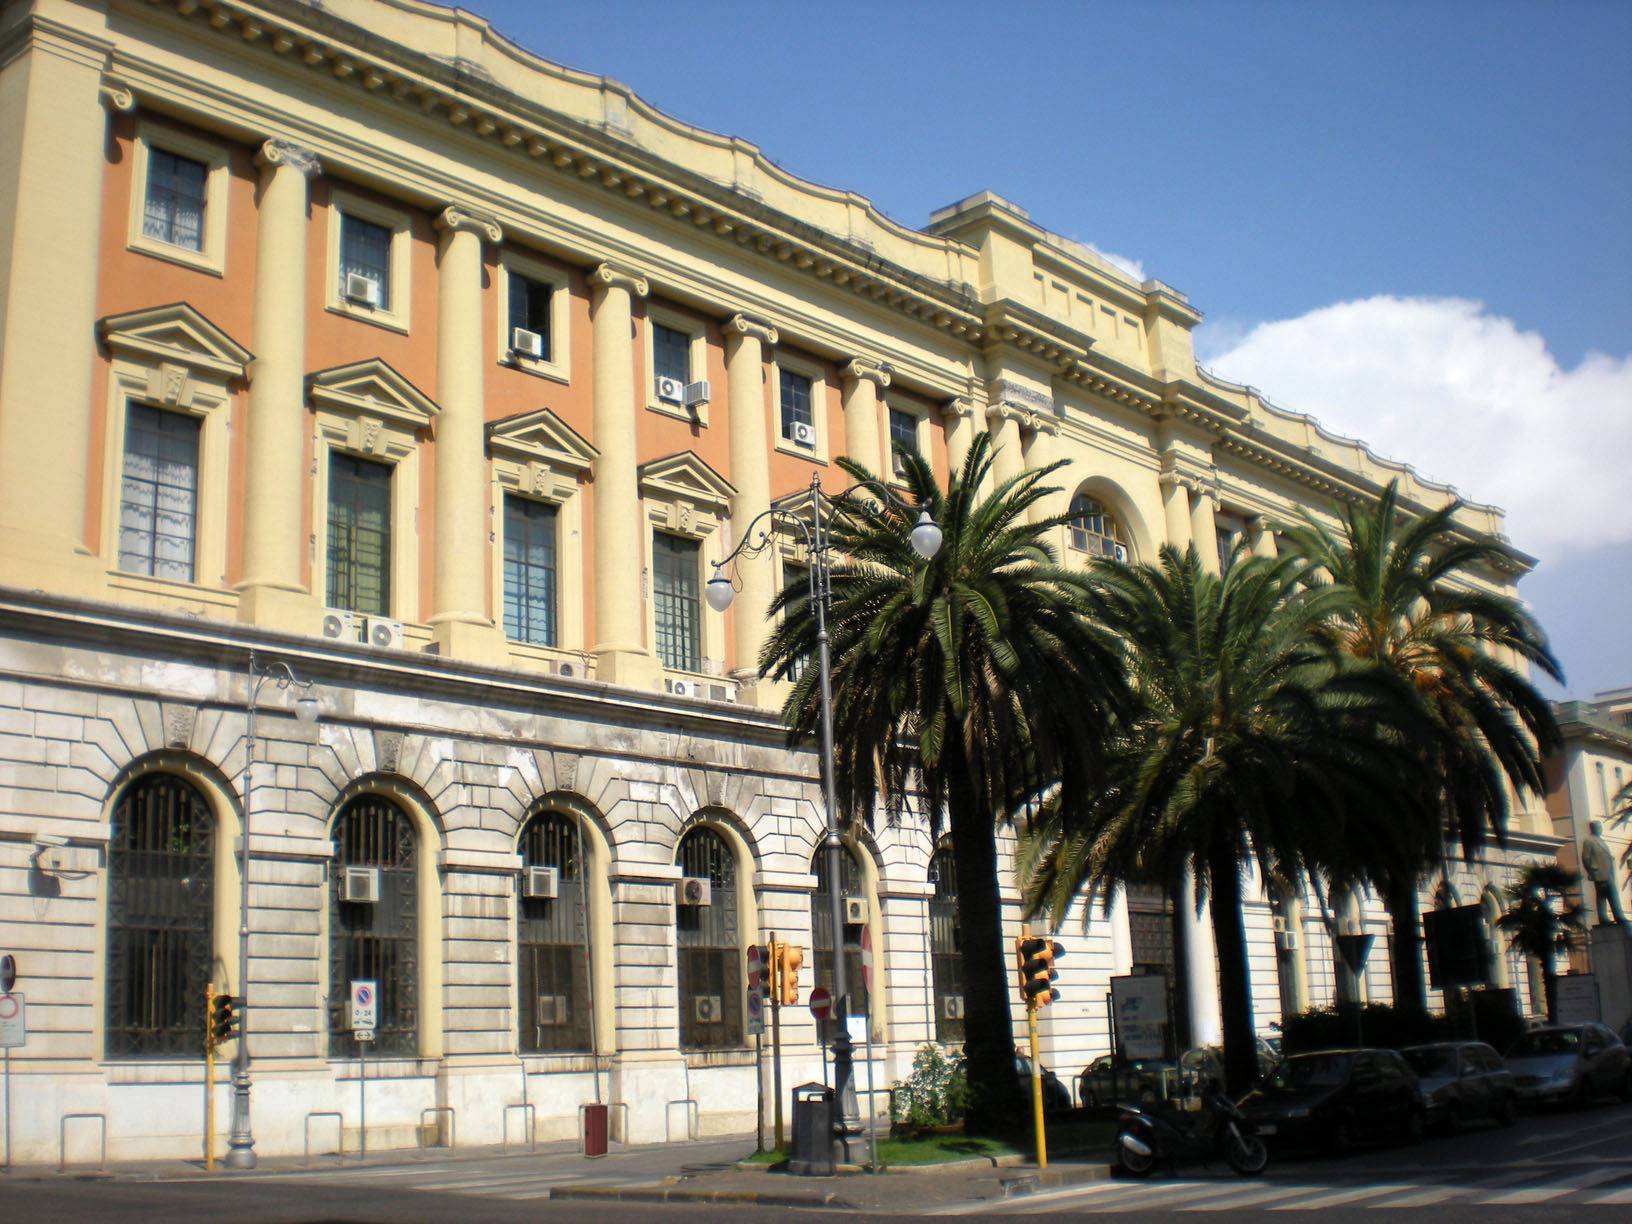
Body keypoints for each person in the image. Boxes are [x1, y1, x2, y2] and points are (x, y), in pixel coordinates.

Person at [1580, 821, 1630, 929]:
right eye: (1599, 827)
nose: (1601, 829)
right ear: (1593, 828)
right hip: (1599, 873)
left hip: (1607, 873)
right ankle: (1610, 917)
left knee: (1607, 895)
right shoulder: (1589, 841)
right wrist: (1592, 871)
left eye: (1600, 827)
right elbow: (1585, 858)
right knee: (1605, 895)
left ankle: (1613, 917)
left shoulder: (1600, 840)